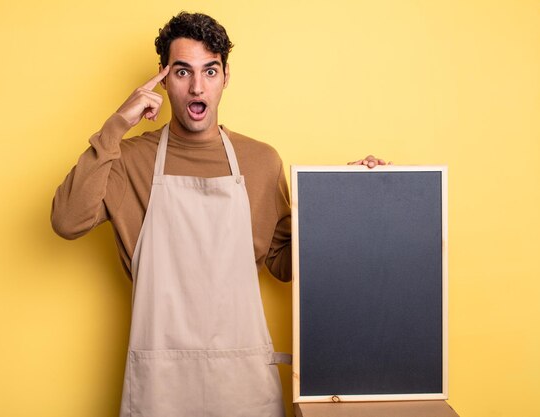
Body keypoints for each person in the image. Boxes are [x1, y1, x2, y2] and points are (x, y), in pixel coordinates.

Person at [51, 12, 387, 417]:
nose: (197, 87)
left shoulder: (261, 161)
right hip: (161, 385)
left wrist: (343, 201)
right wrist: (115, 126)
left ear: (226, 76)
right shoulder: (128, 160)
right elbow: (66, 221)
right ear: (162, 78)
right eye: (182, 72)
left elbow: (283, 263)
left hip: (242, 384)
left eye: (210, 71)